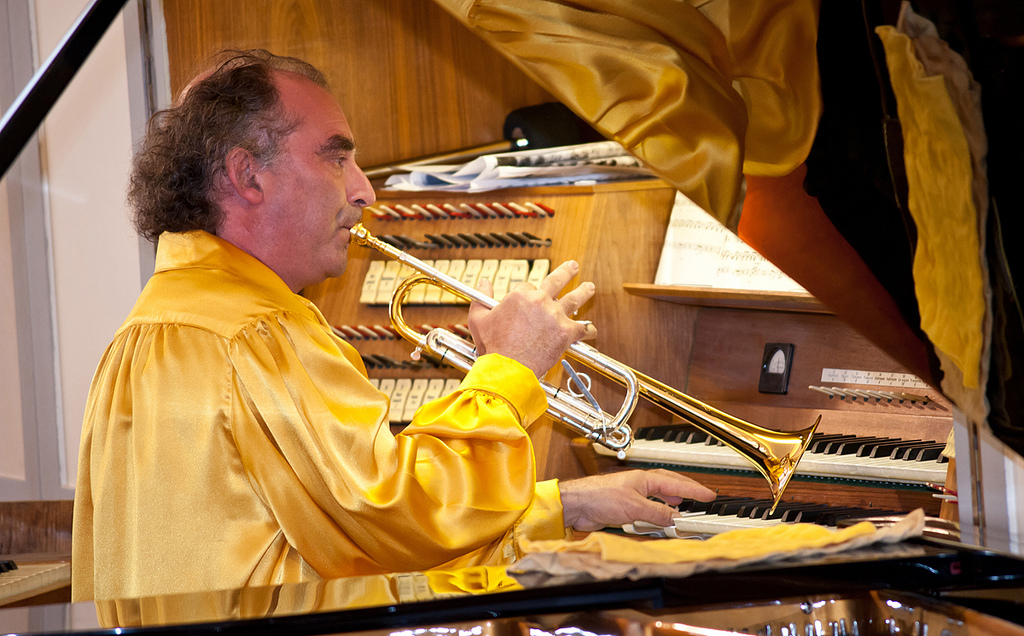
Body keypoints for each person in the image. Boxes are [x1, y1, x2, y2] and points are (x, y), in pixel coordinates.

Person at [71, 49, 715, 602]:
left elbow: (338, 547)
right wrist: (509, 371)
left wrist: (567, 506)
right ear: (247, 175)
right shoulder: (255, 332)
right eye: (336, 160)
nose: (366, 191)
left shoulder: (156, 321)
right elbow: (399, 523)